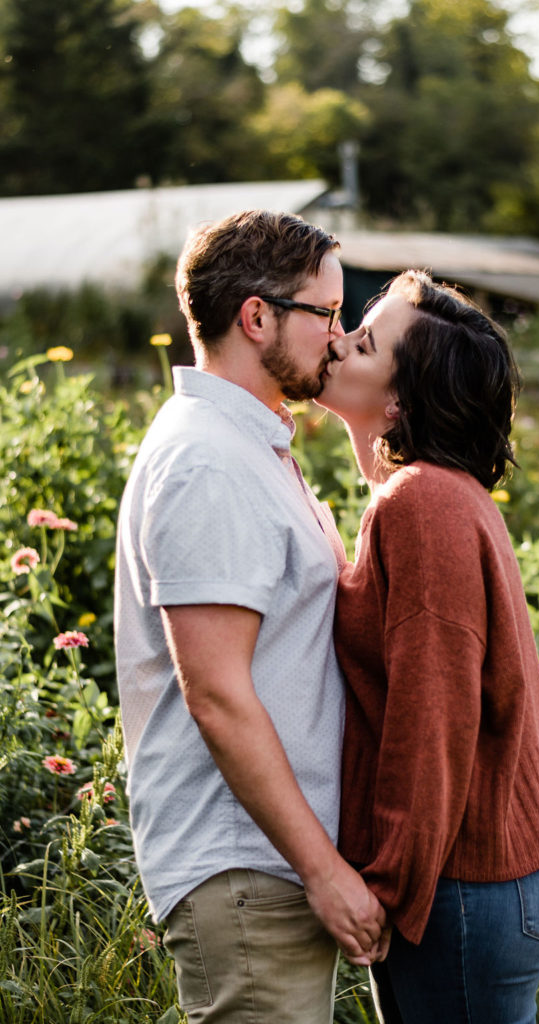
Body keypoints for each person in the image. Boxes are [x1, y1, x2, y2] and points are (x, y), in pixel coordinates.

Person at [114, 209, 387, 1024]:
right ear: (257, 315)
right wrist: (323, 871)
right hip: (247, 867)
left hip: (270, 863)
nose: (338, 339)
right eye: (327, 314)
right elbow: (219, 695)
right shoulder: (207, 461)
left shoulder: (246, 444)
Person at [317, 269, 539, 1024]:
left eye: (362, 341)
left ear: (398, 401)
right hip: (481, 876)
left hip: (465, 883)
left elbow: (430, 717)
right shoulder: (431, 494)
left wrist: (384, 889)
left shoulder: (423, 504)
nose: (335, 341)